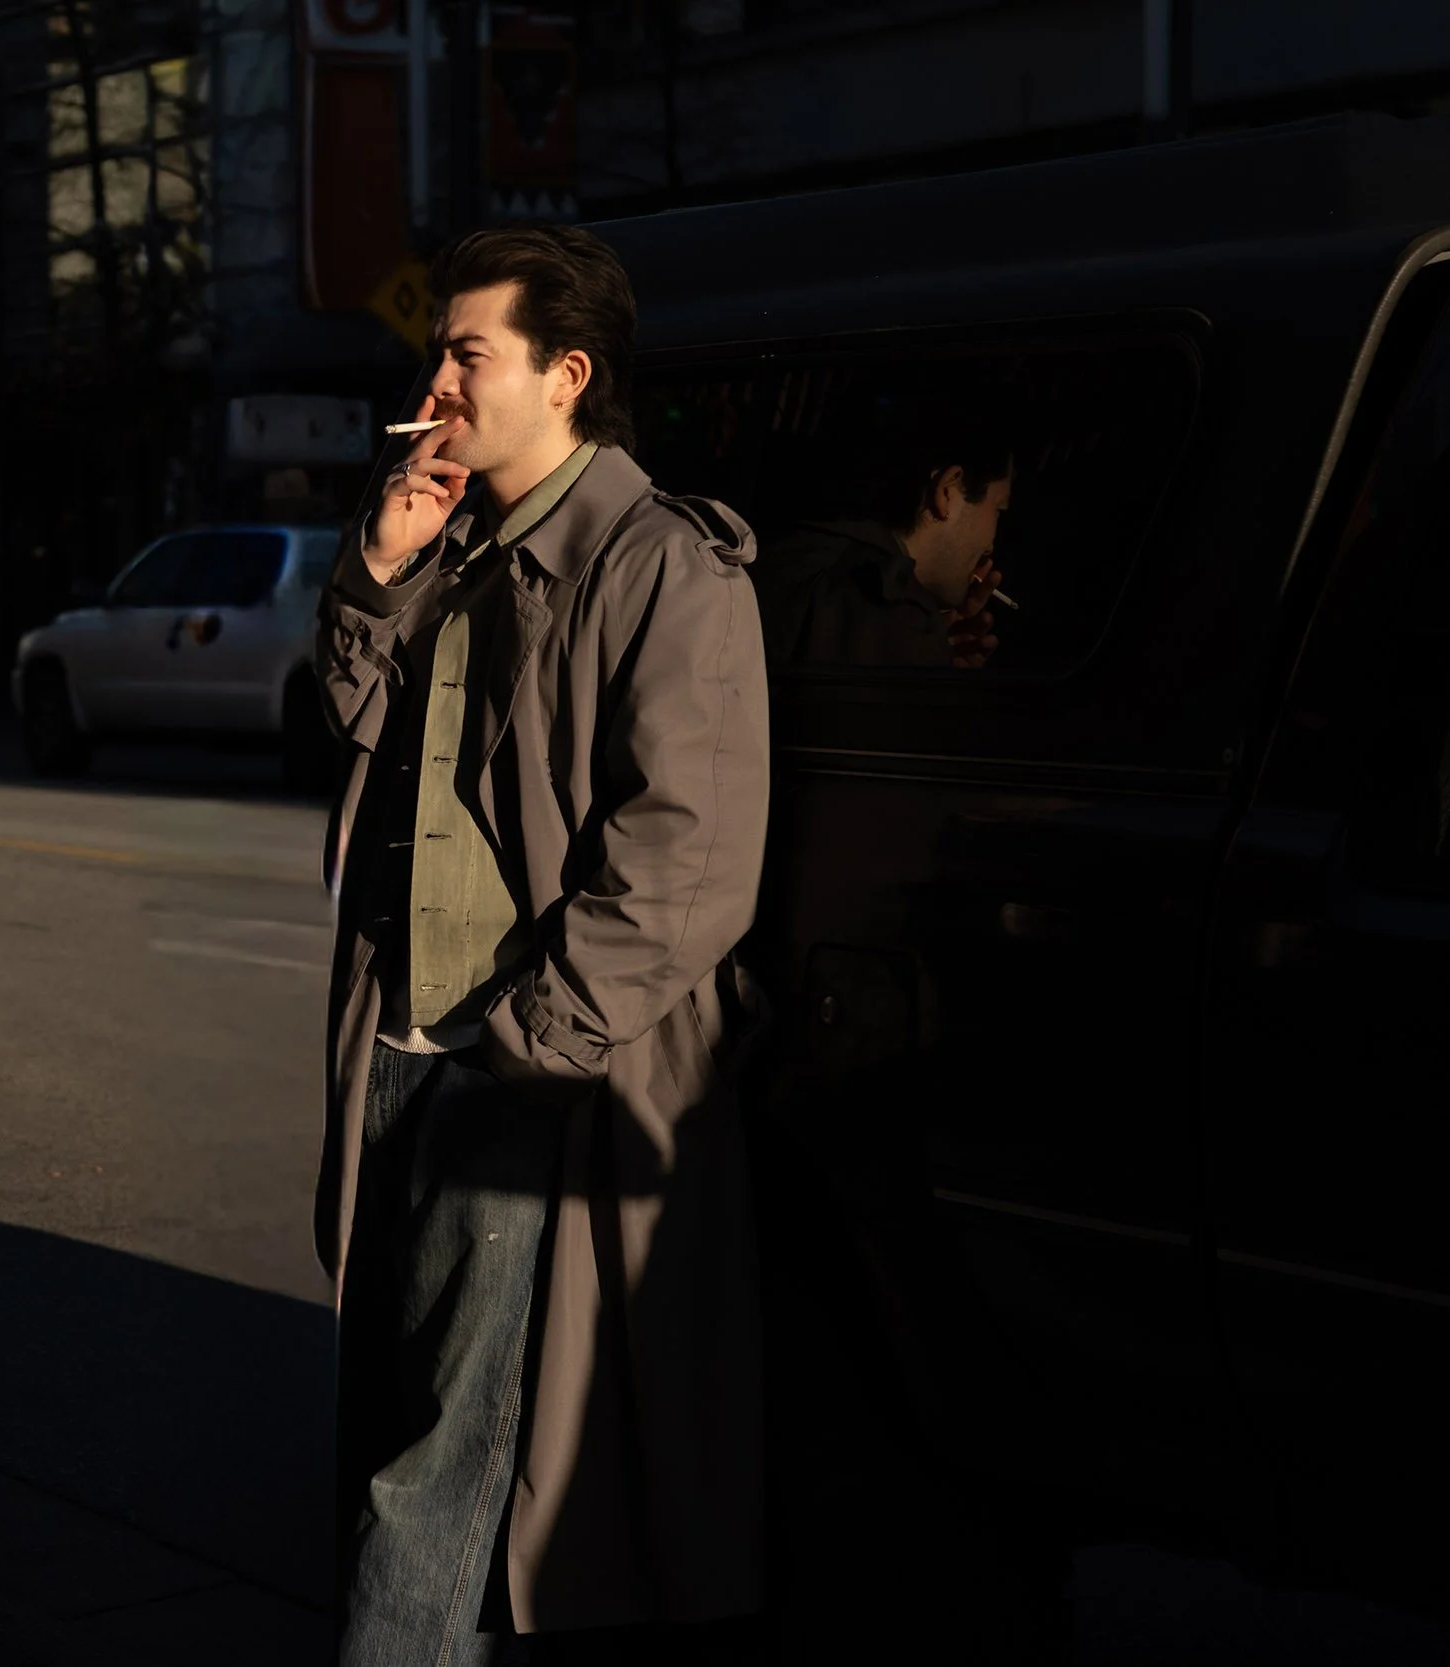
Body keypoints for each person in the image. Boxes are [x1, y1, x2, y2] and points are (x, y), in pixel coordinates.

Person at [317, 224, 771, 1664]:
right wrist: (379, 574)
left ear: (566, 374)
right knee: (399, 1425)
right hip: (398, 1046)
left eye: (467, 352)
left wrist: (524, 1052)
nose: (435, 381)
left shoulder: (663, 566)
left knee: (440, 1461)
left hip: (516, 1075)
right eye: (435, 351)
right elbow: (352, 739)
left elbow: (687, 862)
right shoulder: (447, 538)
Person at [752, 394, 1011, 671]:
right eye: (998, 509)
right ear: (947, 489)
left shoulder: (791, 551)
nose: (991, 544)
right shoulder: (891, 613)